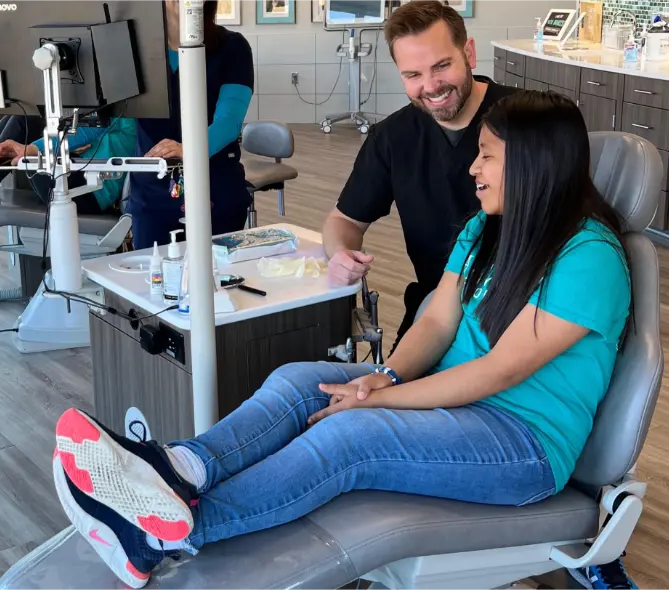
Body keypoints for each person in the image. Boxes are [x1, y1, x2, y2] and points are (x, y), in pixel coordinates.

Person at [50, 91, 634, 589]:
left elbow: (498, 373)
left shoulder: (589, 257)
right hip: (452, 398)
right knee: (299, 380)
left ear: (534, 166)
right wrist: (388, 377)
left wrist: (376, 402)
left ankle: (163, 530)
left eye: (487, 157)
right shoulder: (487, 228)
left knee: (354, 435)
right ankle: (182, 468)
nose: (472, 170)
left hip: (521, 443)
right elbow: (435, 322)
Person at [321, 0, 519, 353]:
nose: (431, 86)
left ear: (469, 53)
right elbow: (344, 220)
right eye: (413, 75)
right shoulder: (393, 137)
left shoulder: (527, 122)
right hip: (433, 316)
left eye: (442, 66)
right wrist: (341, 255)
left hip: (519, 315)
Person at [127, 0, 254, 250]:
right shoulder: (135, 51)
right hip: (152, 195)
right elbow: (105, 121)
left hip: (213, 189)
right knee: (155, 282)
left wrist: (191, 150)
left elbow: (229, 122)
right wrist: (39, 147)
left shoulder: (233, 48)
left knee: (216, 282)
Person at [0, 114, 137, 216]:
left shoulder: (126, 107)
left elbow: (88, 130)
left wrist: (28, 149)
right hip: (76, 174)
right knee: (19, 118)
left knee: (25, 121)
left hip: (86, 193)